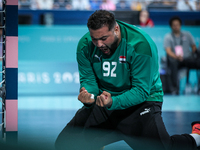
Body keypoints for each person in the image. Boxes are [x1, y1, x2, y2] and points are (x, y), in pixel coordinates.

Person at [55, 10, 200, 150]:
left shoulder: (141, 45)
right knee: (65, 144)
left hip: (141, 103)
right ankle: (98, 140)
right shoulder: (85, 45)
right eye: (95, 39)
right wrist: (89, 96)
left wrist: (113, 101)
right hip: (105, 100)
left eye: (104, 38)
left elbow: (141, 91)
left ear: (116, 29)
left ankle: (197, 136)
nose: (99, 44)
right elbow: (89, 80)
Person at [164, 16, 200, 95]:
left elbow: (193, 46)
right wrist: (176, 57)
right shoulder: (168, 37)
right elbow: (168, 51)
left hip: (188, 59)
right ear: (171, 26)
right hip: (176, 59)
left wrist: (192, 54)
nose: (176, 26)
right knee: (172, 63)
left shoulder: (187, 34)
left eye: (178, 24)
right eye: (174, 25)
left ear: (180, 25)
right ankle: (175, 88)